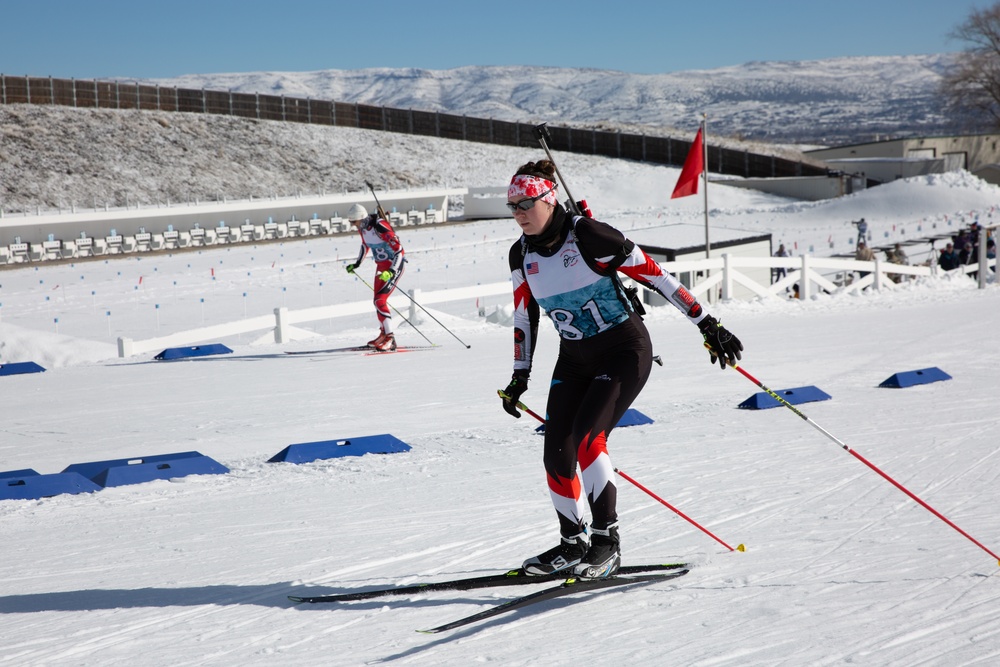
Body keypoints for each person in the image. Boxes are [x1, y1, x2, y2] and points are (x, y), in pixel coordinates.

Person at [498, 160, 743, 579]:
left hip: (623, 349)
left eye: (525, 203)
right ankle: (572, 544)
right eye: (512, 205)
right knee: (557, 451)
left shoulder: (589, 235)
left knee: (590, 440)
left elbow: (655, 275)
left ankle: (607, 543)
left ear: (548, 198)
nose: (518, 212)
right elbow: (525, 316)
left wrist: (707, 322)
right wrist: (520, 375)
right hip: (574, 357)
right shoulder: (520, 253)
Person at [345, 203, 405, 351]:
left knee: (380, 300)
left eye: (354, 222)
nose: (353, 225)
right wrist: (357, 263)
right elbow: (365, 245)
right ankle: (384, 334)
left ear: (361, 218)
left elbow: (399, 250)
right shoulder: (363, 228)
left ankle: (390, 338)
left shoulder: (380, 226)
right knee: (377, 301)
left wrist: (391, 271)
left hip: (394, 266)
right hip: (381, 267)